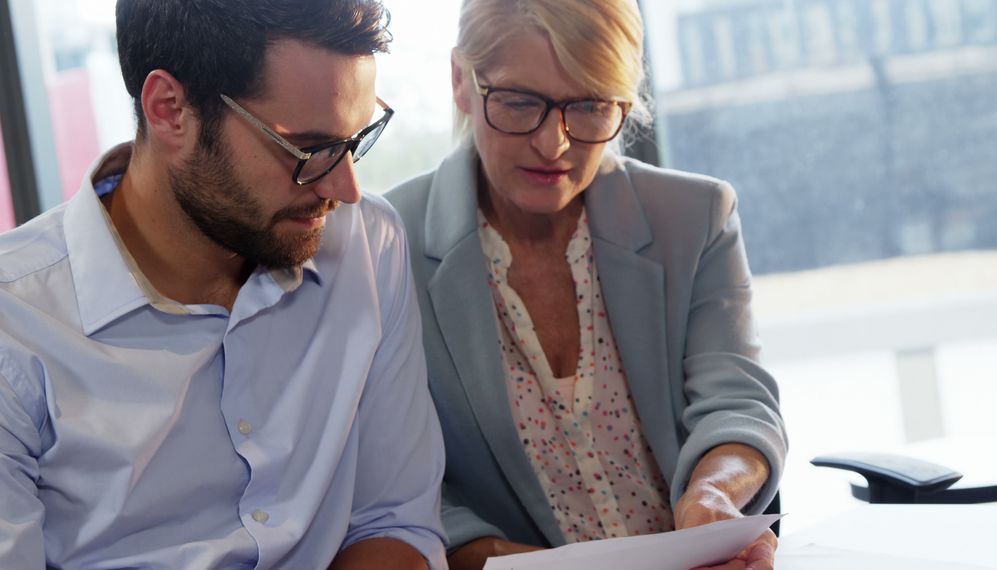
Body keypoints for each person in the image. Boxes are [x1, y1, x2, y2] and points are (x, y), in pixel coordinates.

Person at [0, 1, 447, 568]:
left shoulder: (367, 246)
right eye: (308, 149)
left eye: (357, 139)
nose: (346, 187)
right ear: (170, 110)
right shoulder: (16, 330)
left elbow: (396, 522)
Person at [386, 1, 787, 569]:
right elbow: (397, 489)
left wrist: (713, 495)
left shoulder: (694, 217)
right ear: (461, 81)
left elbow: (739, 403)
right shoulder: (386, 247)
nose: (554, 145)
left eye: (591, 107)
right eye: (521, 102)